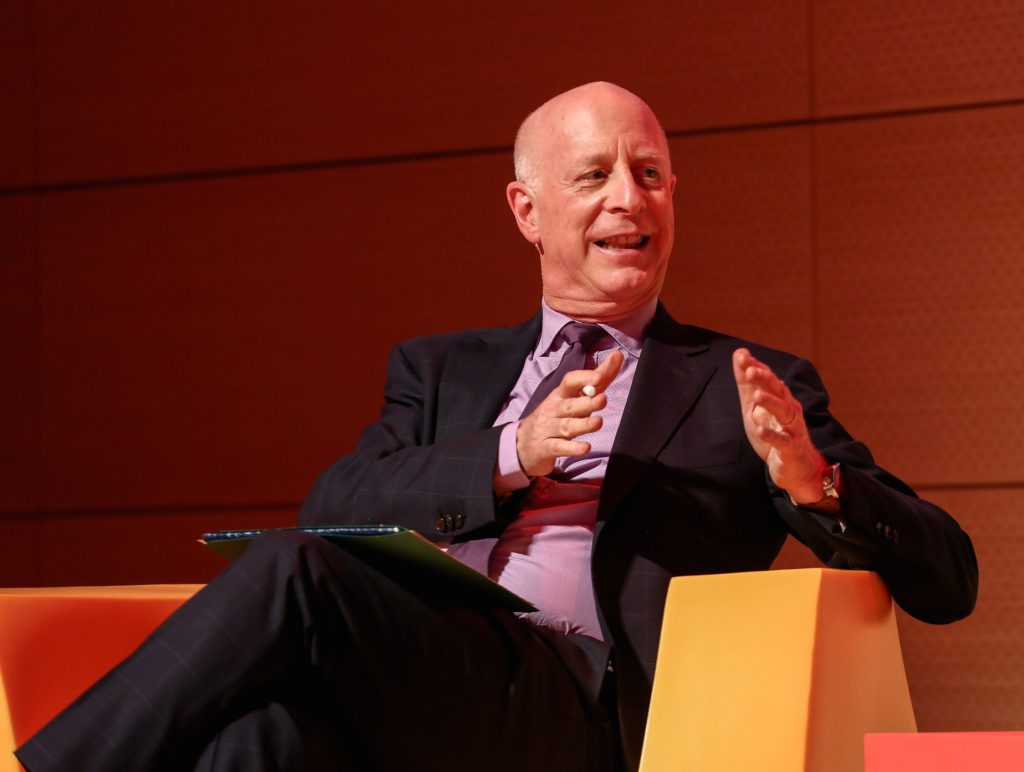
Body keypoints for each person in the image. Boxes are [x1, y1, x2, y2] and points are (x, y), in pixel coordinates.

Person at [16, 82, 977, 772]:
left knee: (292, 572)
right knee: (256, 741)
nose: (629, 199)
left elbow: (949, 579)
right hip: (424, 667)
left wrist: (814, 482)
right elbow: (334, 500)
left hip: (585, 703)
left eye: (650, 174)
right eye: (594, 175)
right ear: (528, 210)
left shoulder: (740, 381)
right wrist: (511, 456)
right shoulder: (441, 368)